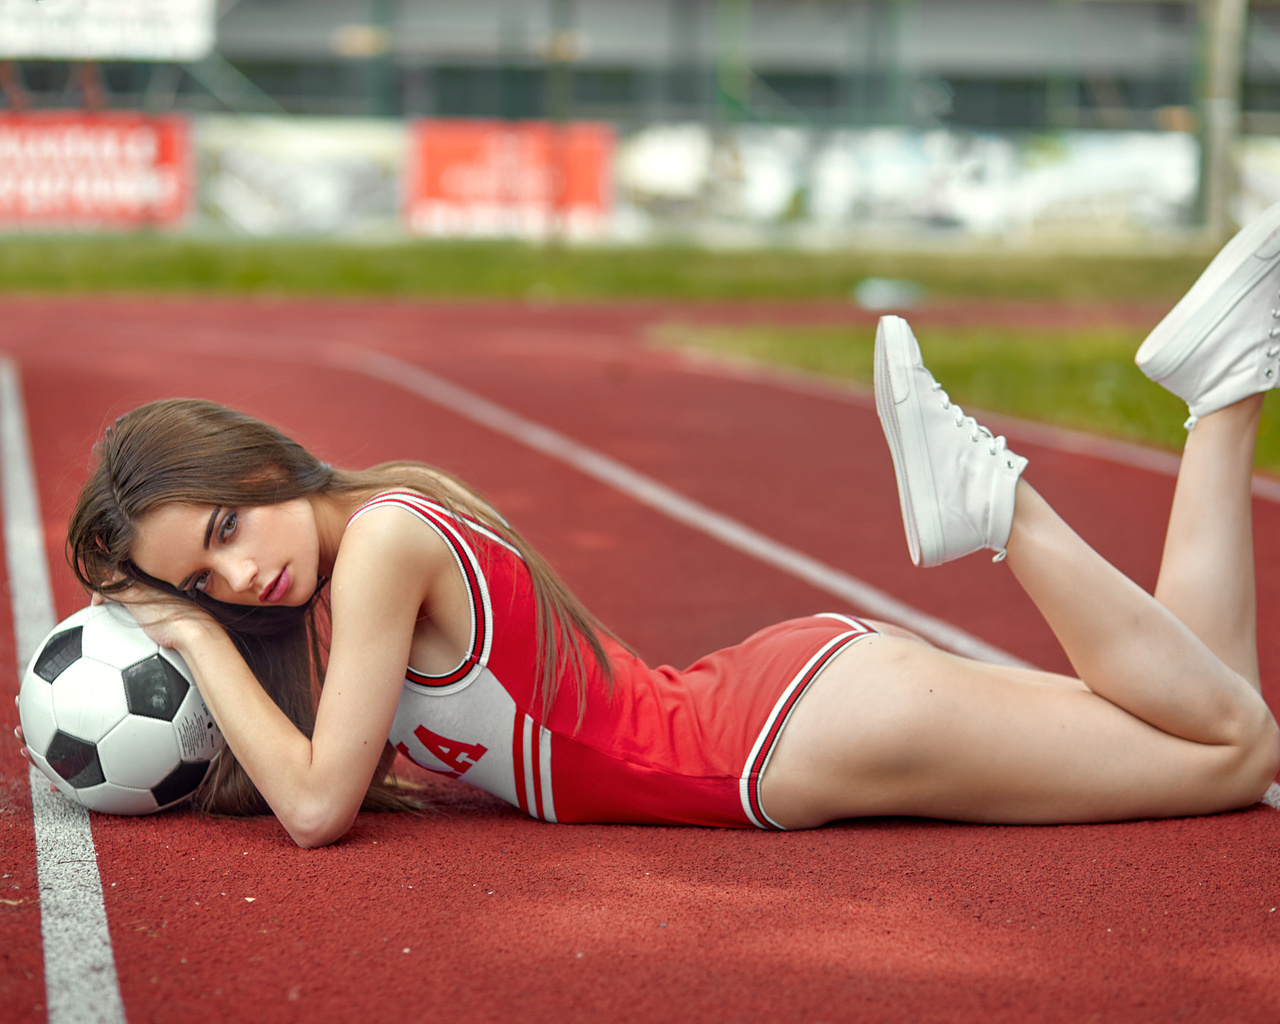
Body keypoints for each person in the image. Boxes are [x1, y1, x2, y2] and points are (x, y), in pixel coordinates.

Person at [19, 211, 1280, 849]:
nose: (245, 570)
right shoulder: (361, 562)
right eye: (209, 574)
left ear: (264, 460)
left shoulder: (389, 544)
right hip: (797, 709)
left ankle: (1000, 510)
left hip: (783, 745)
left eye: (229, 523)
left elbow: (314, 809)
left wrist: (190, 631)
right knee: (1215, 723)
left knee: (1231, 755)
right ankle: (1223, 393)